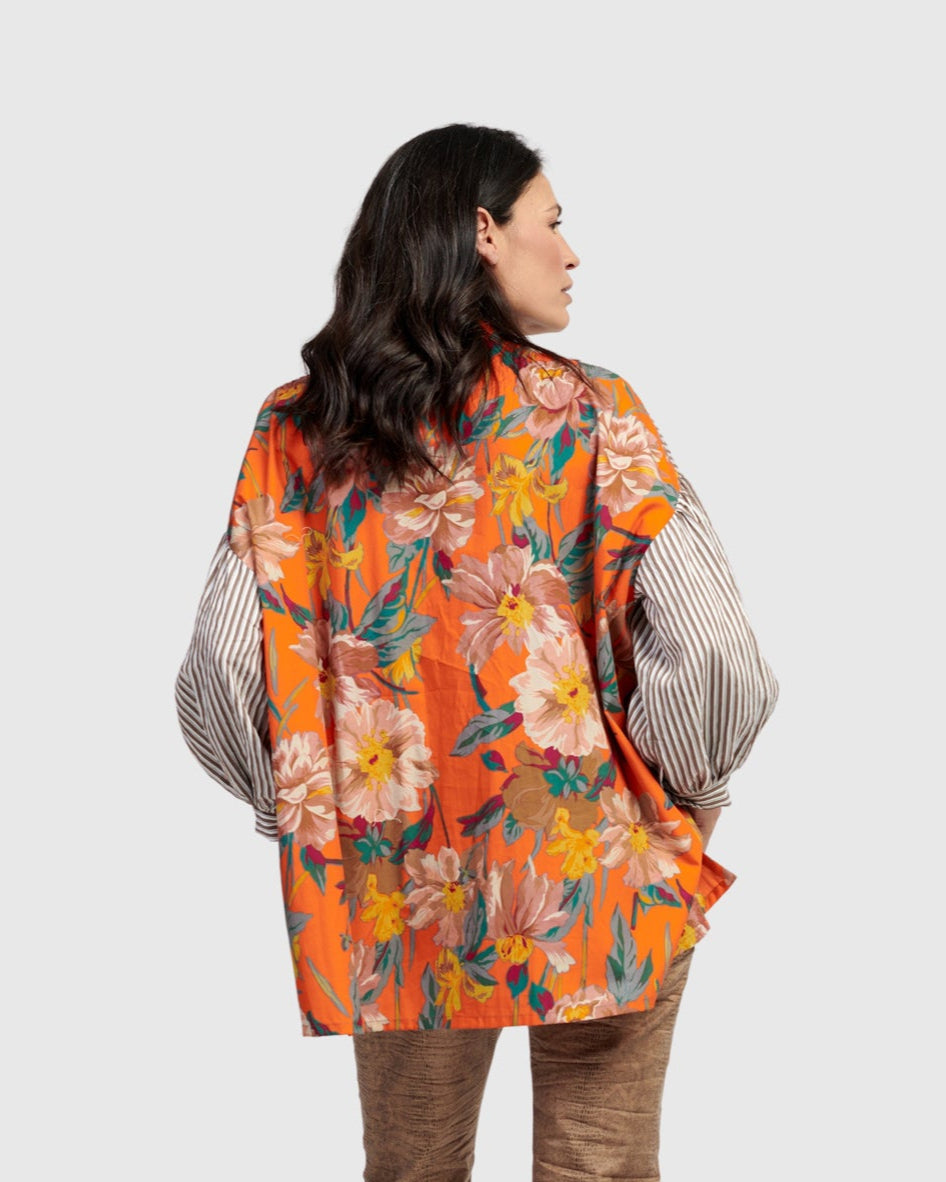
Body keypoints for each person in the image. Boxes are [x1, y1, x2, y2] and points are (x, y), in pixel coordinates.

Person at [175, 123, 777, 1181]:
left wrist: (306, 808)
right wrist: (684, 794)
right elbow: (717, 654)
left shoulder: (298, 432)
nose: (573, 253)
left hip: (387, 868)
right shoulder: (593, 415)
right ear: (484, 231)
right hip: (596, 857)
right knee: (597, 1163)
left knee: (412, 1166)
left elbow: (224, 671)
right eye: (556, 222)